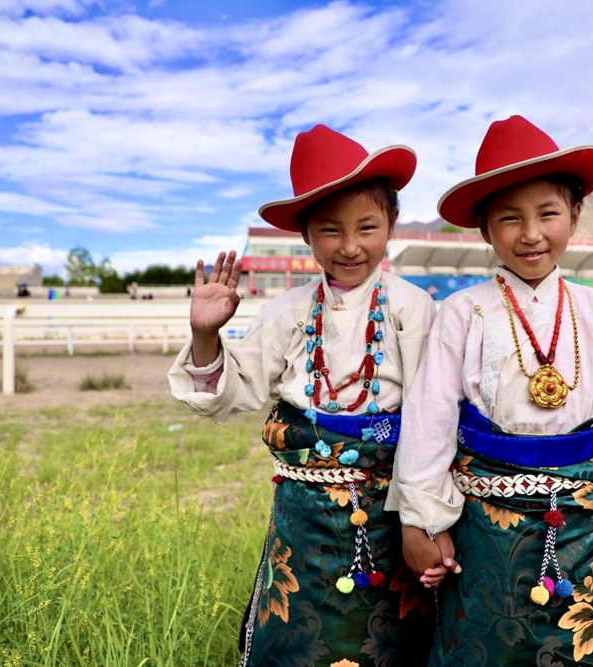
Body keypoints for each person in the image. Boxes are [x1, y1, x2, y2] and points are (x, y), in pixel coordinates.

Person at [388, 116, 593, 666]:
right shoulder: (463, 311)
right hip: (486, 520)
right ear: (484, 230)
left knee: (583, 642)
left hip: (578, 518)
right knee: (489, 638)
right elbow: (430, 419)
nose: (530, 233)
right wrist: (420, 521)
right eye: (509, 218)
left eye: (547, 214)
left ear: (575, 215)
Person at [168, 125, 437, 667]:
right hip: (302, 515)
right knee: (297, 640)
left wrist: (423, 518)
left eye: (367, 227)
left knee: (389, 639)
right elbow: (230, 391)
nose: (350, 246)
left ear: (391, 224)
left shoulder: (413, 308)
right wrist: (205, 334)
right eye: (330, 230)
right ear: (307, 236)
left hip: (389, 509)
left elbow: (431, 417)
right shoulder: (287, 311)